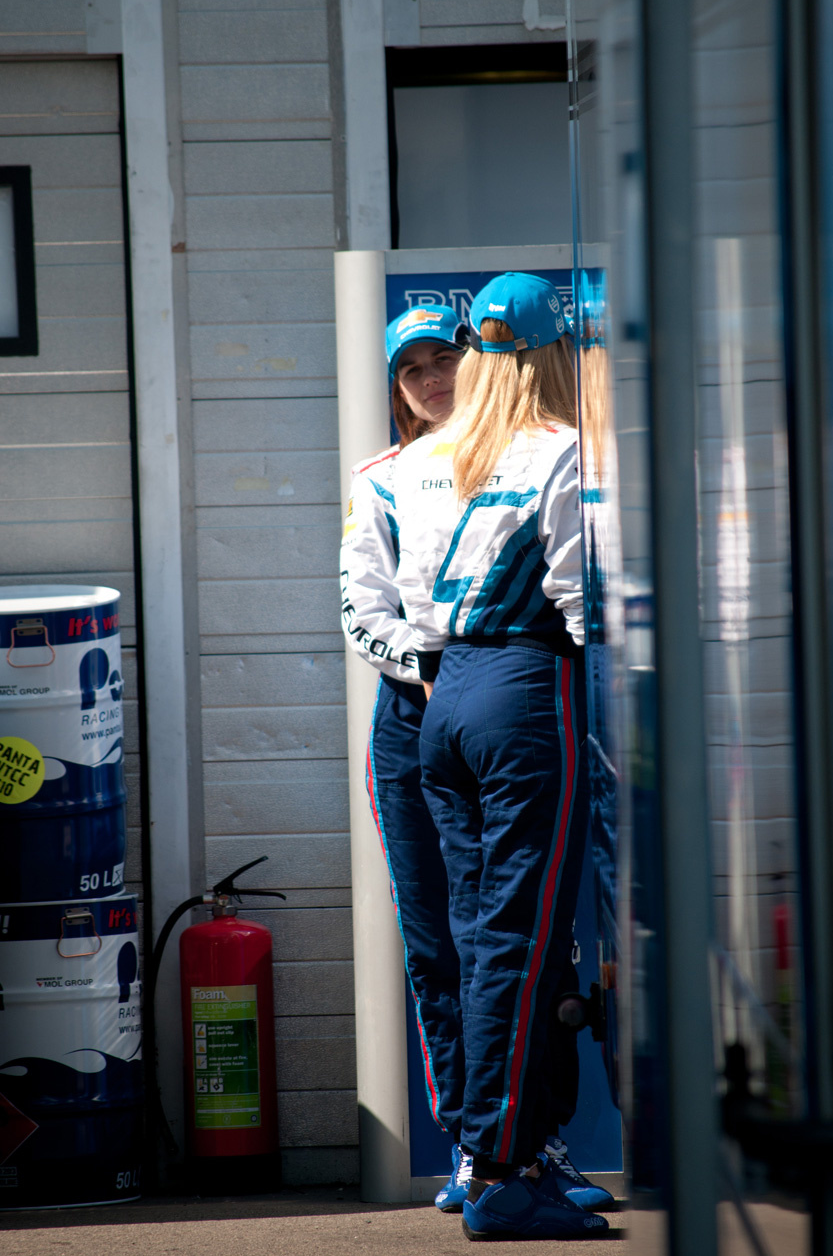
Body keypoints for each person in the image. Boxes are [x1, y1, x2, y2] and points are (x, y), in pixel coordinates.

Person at [392, 272, 611, 1240]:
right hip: (528, 691)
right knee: (523, 945)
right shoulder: (564, 449)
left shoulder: (451, 453)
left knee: (488, 941)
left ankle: (491, 1155)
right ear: (553, 352)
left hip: (449, 701)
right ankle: (509, 1172)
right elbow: (582, 598)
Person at [340, 305, 471, 1207]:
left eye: (444, 359)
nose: (430, 379)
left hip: (511, 714)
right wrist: (423, 668)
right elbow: (359, 611)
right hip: (411, 719)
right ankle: (474, 1143)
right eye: (411, 367)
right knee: (433, 942)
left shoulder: (536, 458)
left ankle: (530, 1138)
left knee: (509, 938)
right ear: (395, 385)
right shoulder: (379, 477)